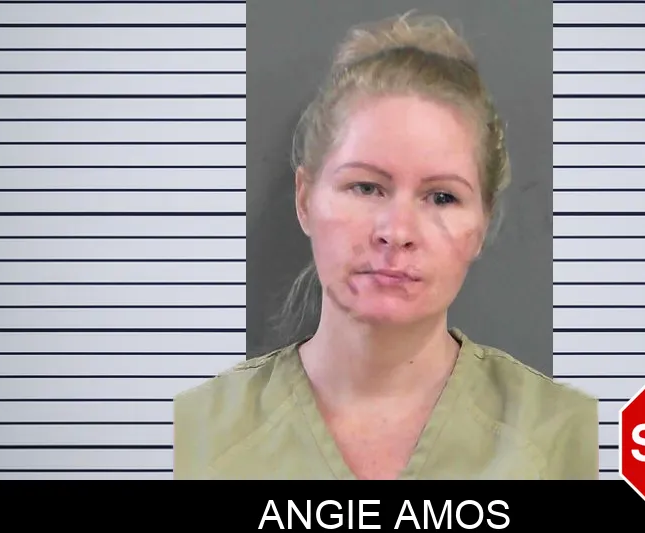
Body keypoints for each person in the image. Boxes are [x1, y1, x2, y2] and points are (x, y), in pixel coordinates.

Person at [173, 11, 598, 480]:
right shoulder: (193, 437)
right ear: (305, 199)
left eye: (442, 197)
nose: (396, 232)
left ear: (482, 224)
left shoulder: (570, 439)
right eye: (365, 187)